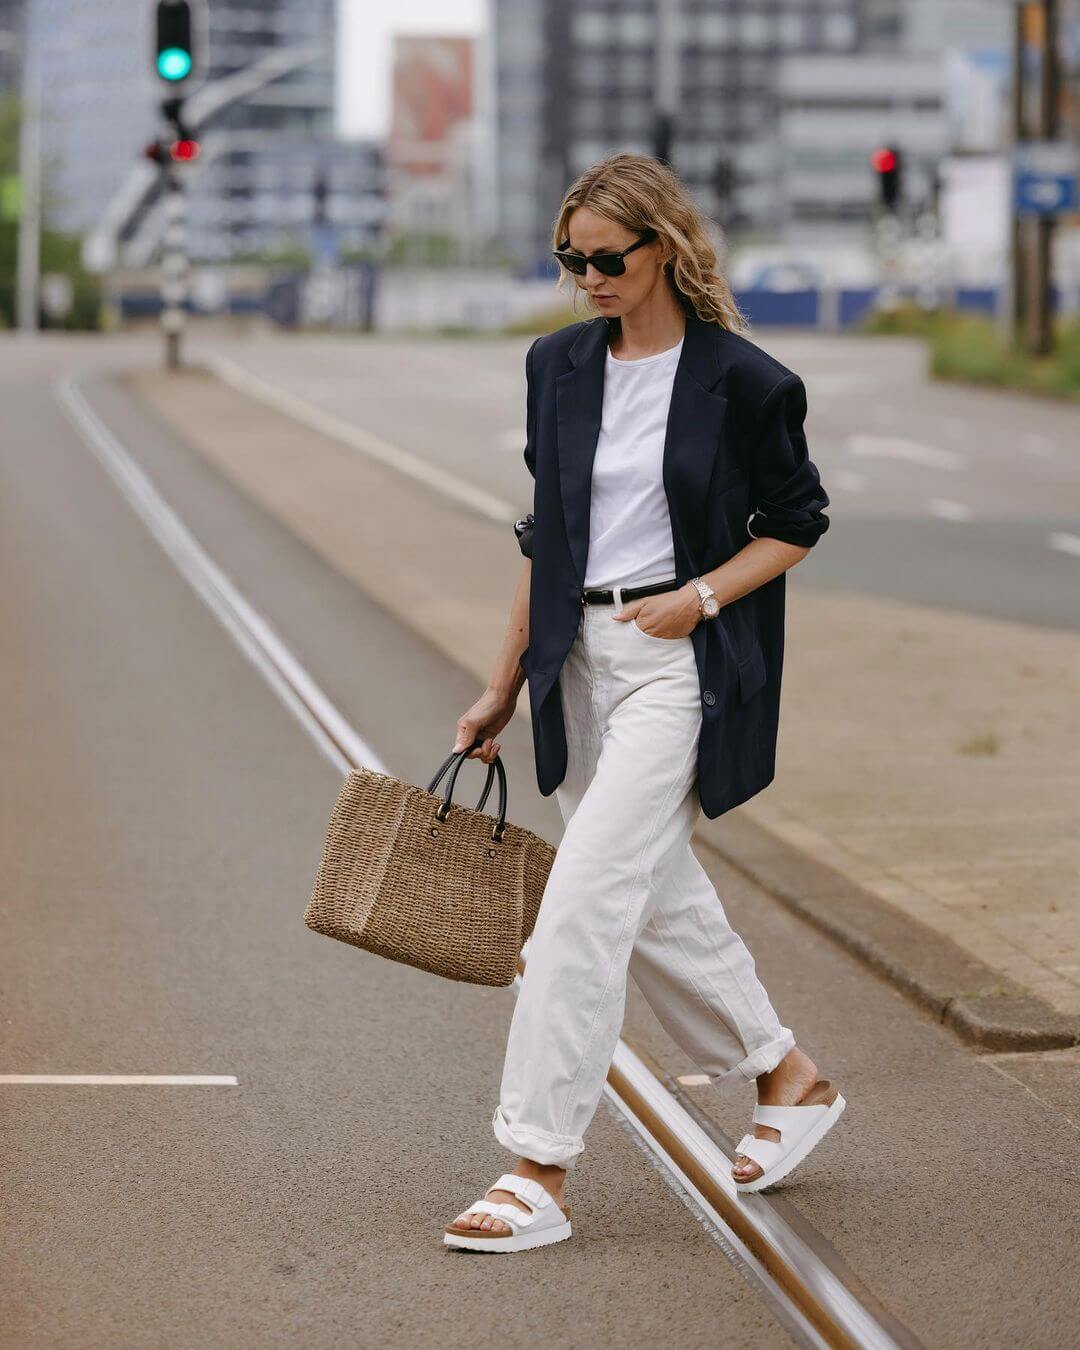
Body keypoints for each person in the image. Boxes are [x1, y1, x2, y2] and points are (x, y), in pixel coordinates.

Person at [443, 153, 844, 1254]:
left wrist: (700, 598)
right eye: (570, 260)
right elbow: (548, 530)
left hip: (679, 668)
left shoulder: (748, 381)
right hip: (577, 662)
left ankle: (536, 1167)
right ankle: (788, 1076)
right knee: (655, 899)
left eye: (606, 258)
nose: (587, 279)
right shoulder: (558, 366)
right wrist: (499, 682)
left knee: (580, 910)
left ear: (662, 246)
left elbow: (798, 522)